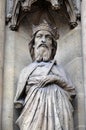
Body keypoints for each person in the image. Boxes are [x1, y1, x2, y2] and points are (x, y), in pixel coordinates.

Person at [14, 21, 76, 130]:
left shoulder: (59, 69)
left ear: (52, 46)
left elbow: (71, 91)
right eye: (39, 36)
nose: (43, 40)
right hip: (32, 112)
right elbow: (19, 99)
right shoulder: (26, 70)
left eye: (48, 37)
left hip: (58, 112)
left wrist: (55, 79)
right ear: (33, 44)